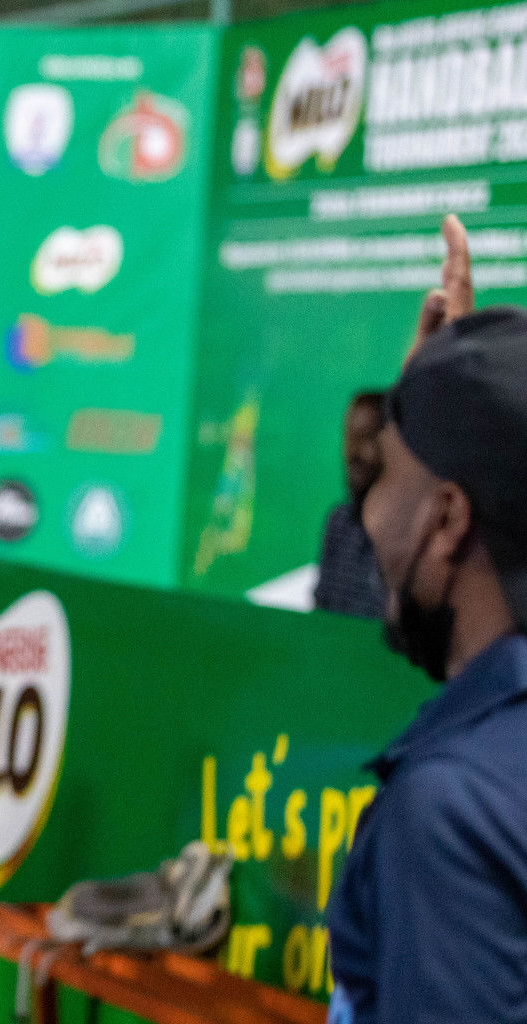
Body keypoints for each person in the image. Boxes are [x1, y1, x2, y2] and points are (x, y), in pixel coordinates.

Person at [327, 214, 527, 1022]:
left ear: (448, 520)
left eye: (384, 480)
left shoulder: (449, 813)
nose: (366, 516)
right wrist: (444, 402)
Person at [313, 391, 387, 618]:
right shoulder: (338, 523)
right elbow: (321, 610)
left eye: (366, 437)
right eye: (350, 437)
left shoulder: (408, 532)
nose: (353, 452)